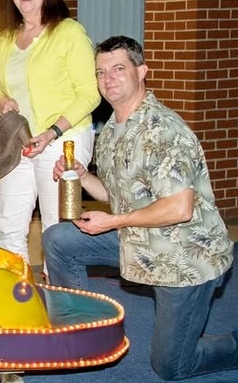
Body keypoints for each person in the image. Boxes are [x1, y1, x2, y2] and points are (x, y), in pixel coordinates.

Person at [43, 36, 237, 381]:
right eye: (101, 72)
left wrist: (113, 221)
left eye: (118, 69)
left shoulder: (163, 130)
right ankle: (84, 328)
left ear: (142, 71)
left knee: (172, 365)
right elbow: (119, 194)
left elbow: (179, 207)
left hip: (184, 257)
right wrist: (83, 177)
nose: (108, 79)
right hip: (139, 241)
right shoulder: (112, 129)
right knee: (59, 239)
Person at [0, 0, 101, 264]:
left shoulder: (68, 32)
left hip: (63, 141)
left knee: (58, 229)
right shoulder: (5, 39)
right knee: (8, 226)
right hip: (19, 144)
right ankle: (16, 288)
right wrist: (2, 102)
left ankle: (59, 288)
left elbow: (90, 94)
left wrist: (52, 132)